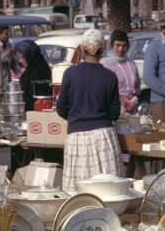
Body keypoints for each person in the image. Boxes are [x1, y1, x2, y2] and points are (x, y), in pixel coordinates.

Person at [56, 29, 122, 191]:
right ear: (102, 48)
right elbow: (115, 113)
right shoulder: (109, 76)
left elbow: (61, 108)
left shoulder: (70, 74)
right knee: (108, 189)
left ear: (83, 48)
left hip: (78, 138)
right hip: (104, 137)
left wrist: (76, 117)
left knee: (78, 190)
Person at [102, 30, 141, 113]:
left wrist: (134, 98)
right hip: (114, 108)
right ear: (112, 45)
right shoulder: (105, 64)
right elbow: (103, 89)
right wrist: (121, 99)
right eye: (118, 45)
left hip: (132, 109)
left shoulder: (131, 63)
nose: (121, 49)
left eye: (124, 46)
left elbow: (137, 85)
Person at [13, 40, 51, 111]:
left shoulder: (39, 71)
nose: (20, 61)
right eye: (18, 58)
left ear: (30, 56)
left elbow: (35, 97)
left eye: (22, 57)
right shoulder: (31, 69)